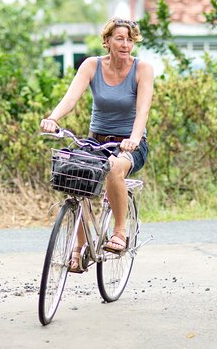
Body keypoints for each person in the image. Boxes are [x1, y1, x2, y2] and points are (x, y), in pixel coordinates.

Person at [40, 17, 154, 271]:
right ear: (107, 41)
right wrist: (52, 118)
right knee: (74, 177)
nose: (125, 44)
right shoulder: (91, 66)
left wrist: (134, 139)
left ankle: (120, 231)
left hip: (130, 143)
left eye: (130, 39)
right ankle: (78, 249)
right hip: (96, 140)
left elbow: (143, 111)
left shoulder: (142, 69)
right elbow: (71, 98)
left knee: (114, 167)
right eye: (119, 38)